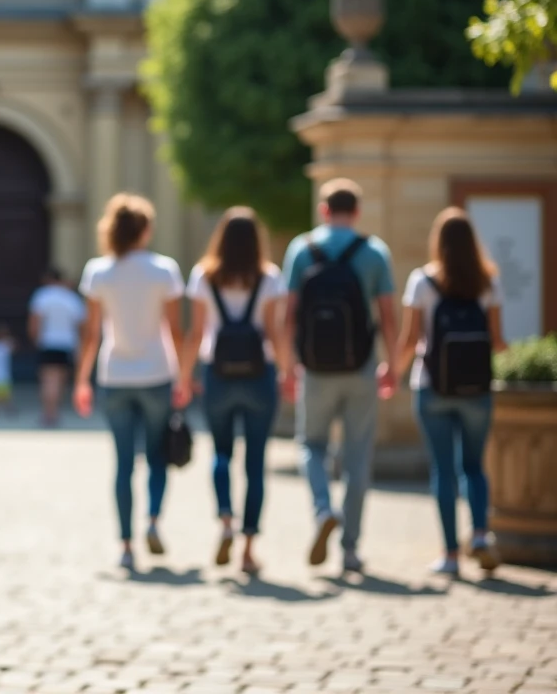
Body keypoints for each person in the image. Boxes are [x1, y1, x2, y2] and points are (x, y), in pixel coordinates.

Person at [281, 178, 398, 574]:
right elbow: (388, 317)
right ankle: (350, 549)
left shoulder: (301, 249)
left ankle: (322, 511)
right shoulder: (374, 252)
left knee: (310, 444)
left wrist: (287, 367)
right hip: (361, 366)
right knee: (357, 456)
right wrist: (392, 365)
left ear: (324, 210)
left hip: (315, 368)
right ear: (357, 211)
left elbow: (288, 315)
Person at [75, 193, 185, 570]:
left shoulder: (98, 271)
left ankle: (125, 545)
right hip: (157, 373)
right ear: (145, 230)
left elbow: (92, 334)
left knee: (123, 463)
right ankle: (152, 521)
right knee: (157, 456)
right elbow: (175, 329)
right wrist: (184, 377)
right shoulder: (165, 269)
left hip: (115, 375)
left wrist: (82, 381)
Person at [176, 207, 288, 575]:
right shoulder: (268, 277)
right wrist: (287, 372)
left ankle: (225, 520)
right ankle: (249, 548)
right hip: (259, 375)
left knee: (221, 452)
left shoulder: (204, 276)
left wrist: (184, 377)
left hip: (218, 374)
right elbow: (273, 331)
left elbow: (196, 332)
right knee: (256, 462)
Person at [395, 207, 505, 576]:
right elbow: (497, 341)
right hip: (477, 389)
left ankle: (450, 555)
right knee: (474, 466)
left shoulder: (422, 281)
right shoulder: (488, 281)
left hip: (432, 386)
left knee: (443, 470)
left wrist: (392, 373)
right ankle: (480, 534)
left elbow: (411, 339)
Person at [29, 268, 86, 427]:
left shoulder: (42, 296)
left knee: (48, 380)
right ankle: (54, 412)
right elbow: (81, 325)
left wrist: (36, 340)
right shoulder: (71, 298)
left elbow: (34, 323)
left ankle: (48, 413)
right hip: (67, 344)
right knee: (60, 380)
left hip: (48, 343)